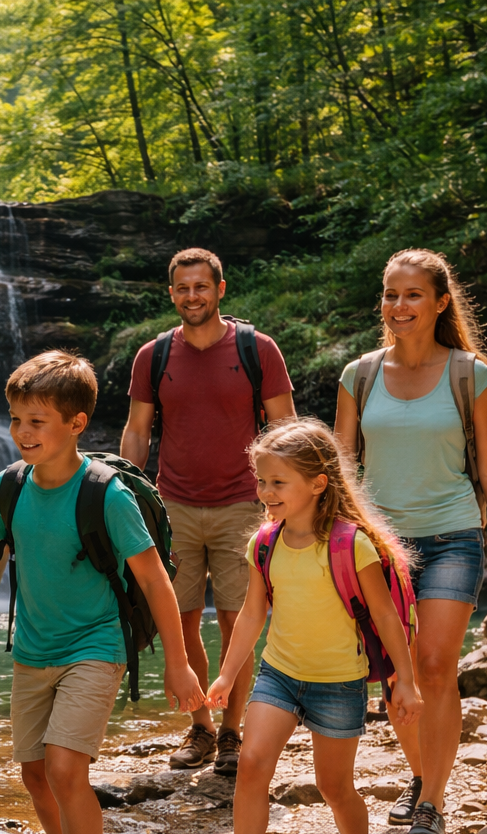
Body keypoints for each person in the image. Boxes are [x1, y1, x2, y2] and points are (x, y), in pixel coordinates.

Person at [0, 350, 203, 834]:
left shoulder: (106, 496)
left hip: (96, 645)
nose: (23, 433)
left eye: (37, 421)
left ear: (77, 423)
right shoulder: (8, 487)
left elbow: (155, 580)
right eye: (16, 420)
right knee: (35, 775)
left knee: (65, 768)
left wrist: (181, 661)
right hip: (33, 649)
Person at [334, 248, 487, 834]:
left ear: (440, 302)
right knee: (398, 677)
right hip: (380, 547)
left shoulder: (470, 373)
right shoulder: (359, 375)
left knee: (437, 667)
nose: (399, 306)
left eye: (412, 294)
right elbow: (340, 469)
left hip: (453, 536)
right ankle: (421, 774)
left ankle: (433, 802)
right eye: (391, 295)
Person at [193, 418, 422, 834]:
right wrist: (229, 674)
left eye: (278, 482)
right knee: (251, 766)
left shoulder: (349, 543)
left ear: (318, 484)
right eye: (261, 481)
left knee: (334, 787)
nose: (266, 492)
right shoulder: (264, 542)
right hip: (279, 674)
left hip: (338, 684)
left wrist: (405, 680)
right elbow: (254, 612)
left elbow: (384, 615)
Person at [121, 248, 296, 776]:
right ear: (170, 293)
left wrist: (286, 499)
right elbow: (137, 429)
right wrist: (127, 492)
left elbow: (284, 426)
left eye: (201, 287)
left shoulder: (256, 349)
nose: (191, 296)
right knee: (180, 619)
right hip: (173, 504)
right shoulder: (152, 356)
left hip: (244, 504)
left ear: (220, 289)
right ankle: (200, 724)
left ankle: (232, 731)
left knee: (238, 618)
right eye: (182, 288)